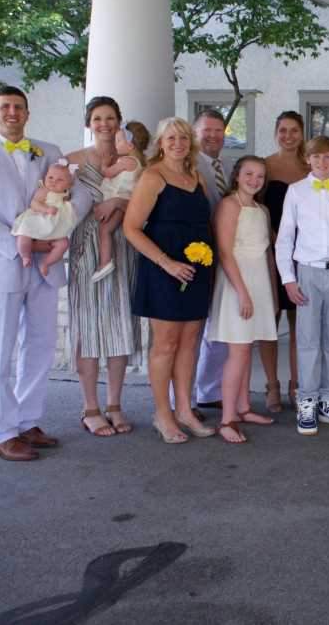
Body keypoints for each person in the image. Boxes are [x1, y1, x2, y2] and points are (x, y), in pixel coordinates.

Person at [0, 85, 93, 460]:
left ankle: (27, 420)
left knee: (40, 345)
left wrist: (61, 226)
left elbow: (81, 194)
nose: (12, 113)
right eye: (5, 107)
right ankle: (0, 432)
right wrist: (25, 244)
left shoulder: (48, 152)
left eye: (19, 107)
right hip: (2, 264)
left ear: (28, 114)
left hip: (45, 268)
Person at [124, 116, 216, 444]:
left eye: (183, 138)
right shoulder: (153, 176)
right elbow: (131, 228)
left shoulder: (196, 177)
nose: (178, 143)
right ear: (160, 143)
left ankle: (185, 410)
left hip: (197, 270)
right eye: (171, 138)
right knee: (166, 345)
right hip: (163, 271)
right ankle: (163, 414)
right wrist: (167, 263)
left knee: (190, 343)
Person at [65, 96, 142, 438]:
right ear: (88, 123)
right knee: (88, 326)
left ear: (119, 121)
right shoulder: (72, 161)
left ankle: (114, 404)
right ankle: (90, 407)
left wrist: (119, 200)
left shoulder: (133, 158)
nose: (104, 124)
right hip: (86, 248)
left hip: (122, 245)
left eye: (110, 118)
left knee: (119, 323)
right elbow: (54, 195)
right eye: (97, 118)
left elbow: (145, 196)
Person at [277, 136, 329, 436]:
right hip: (308, 272)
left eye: (327, 156)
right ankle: (307, 400)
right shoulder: (296, 191)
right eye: (316, 157)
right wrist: (288, 279)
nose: (322, 162)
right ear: (308, 159)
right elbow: (285, 238)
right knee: (308, 339)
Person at [208, 156, 279, 443]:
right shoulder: (229, 205)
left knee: (248, 348)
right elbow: (225, 253)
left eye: (260, 176)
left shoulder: (262, 210)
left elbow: (267, 254)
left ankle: (243, 407)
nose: (254, 180)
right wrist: (242, 292)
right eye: (249, 174)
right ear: (237, 176)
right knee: (238, 351)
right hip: (237, 284)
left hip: (259, 282)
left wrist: (272, 294)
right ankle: (227, 419)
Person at [261, 110, 312, 411]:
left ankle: (296, 384)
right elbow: (255, 206)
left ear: (302, 133)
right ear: (276, 132)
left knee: (298, 324)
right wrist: (275, 240)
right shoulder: (265, 166)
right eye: (283, 130)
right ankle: (272, 385)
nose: (288, 136)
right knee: (271, 321)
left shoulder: (310, 166)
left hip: (303, 254)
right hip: (271, 250)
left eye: (294, 130)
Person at [190, 109, 232, 413]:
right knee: (192, 331)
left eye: (219, 130)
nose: (213, 136)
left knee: (219, 327)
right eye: (207, 130)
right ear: (195, 133)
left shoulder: (228, 167)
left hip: (226, 255)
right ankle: (183, 399)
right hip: (196, 255)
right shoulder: (188, 165)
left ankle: (208, 390)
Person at [90, 121, 148, 282]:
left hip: (121, 202)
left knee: (105, 230)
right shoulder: (139, 163)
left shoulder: (126, 161)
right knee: (106, 228)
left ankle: (105, 262)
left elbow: (108, 173)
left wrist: (104, 165)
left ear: (130, 145)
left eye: (119, 141)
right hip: (127, 203)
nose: (115, 144)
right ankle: (105, 261)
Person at [10, 162, 77, 277]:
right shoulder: (44, 190)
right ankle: (25, 255)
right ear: (45, 177)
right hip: (38, 220)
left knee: (64, 244)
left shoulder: (65, 194)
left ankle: (46, 263)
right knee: (23, 235)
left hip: (54, 225)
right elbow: (34, 203)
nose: (53, 181)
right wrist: (46, 209)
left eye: (60, 180)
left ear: (68, 185)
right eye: (50, 177)